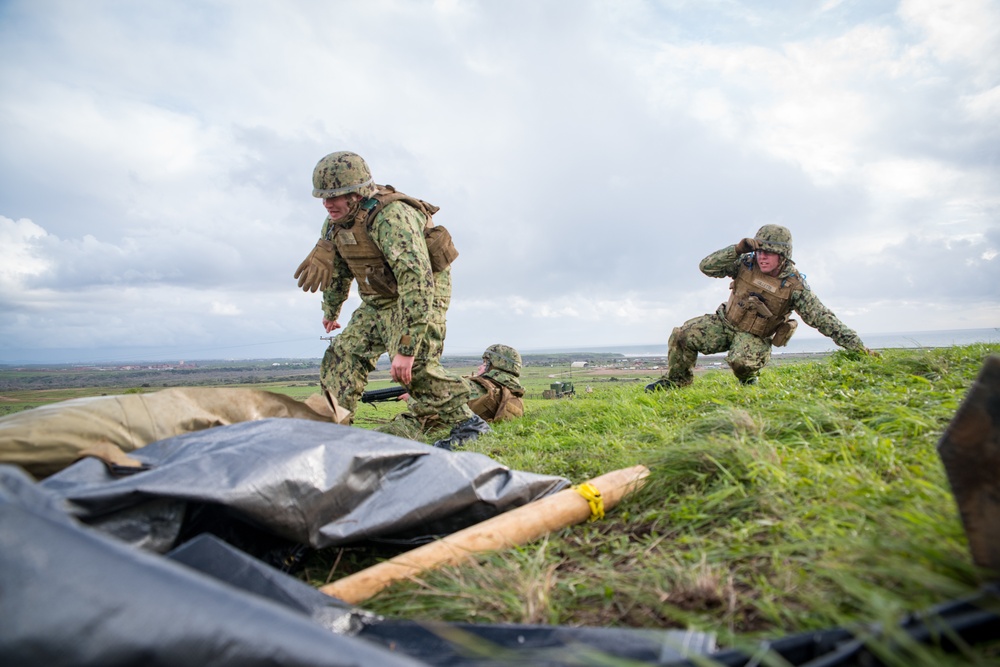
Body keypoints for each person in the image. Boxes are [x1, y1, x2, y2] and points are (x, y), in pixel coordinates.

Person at [293, 151, 490, 449]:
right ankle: (333, 435)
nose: (327, 203)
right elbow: (338, 271)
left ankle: (467, 423)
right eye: (323, 197)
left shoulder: (392, 217)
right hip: (377, 299)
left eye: (336, 196)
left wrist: (406, 349)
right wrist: (332, 311)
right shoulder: (334, 224)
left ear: (357, 193)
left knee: (416, 368)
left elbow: (418, 282)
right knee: (342, 355)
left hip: (421, 296)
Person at [646, 224, 877, 391]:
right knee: (682, 334)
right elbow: (706, 267)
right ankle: (677, 382)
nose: (762, 257)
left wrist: (859, 349)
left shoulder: (794, 286)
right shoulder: (745, 263)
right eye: (759, 251)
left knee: (741, 362)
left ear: (783, 255)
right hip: (725, 323)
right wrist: (736, 250)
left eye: (769, 253)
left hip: (755, 335)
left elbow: (824, 319)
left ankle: (749, 379)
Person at [464, 344, 526, 423]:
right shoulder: (516, 395)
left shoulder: (475, 386)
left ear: (493, 366)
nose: (479, 367)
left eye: (484, 363)